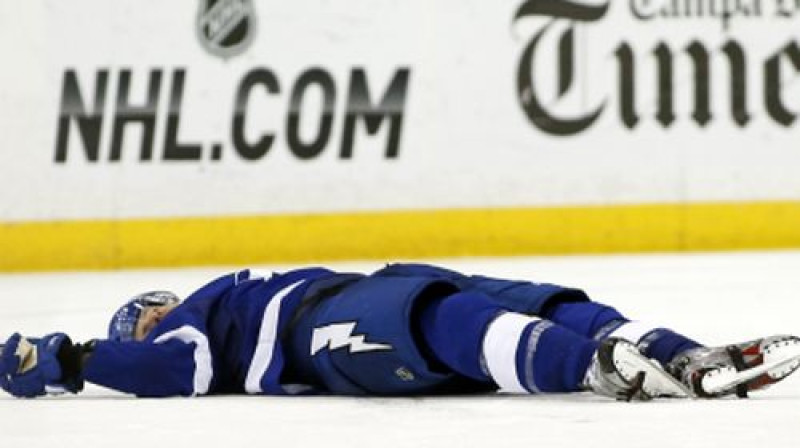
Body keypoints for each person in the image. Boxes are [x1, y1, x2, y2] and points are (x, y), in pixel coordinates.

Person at [1, 263, 798, 401]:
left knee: (536, 299)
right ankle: (595, 369)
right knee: (449, 322)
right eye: (136, 317)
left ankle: (675, 353)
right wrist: (74, 358)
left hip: (356, 287)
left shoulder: (205, 299)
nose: (149, 313)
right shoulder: (186, 331)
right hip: (318, 336)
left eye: (147, 309)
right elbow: (169, 371)